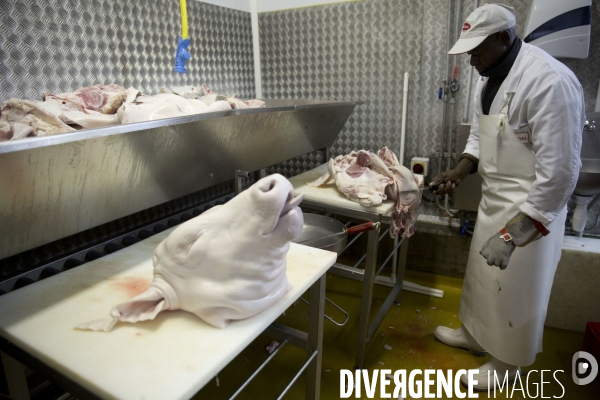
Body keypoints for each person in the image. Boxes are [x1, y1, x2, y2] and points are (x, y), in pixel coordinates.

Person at [429, 3, 584, 391]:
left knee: (517, 290)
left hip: (530, 210)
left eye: (477, 50)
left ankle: (507, 365)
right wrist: (460, 170)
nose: (471, 59)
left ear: (504, 37)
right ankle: (477, 337)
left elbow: (562, 171)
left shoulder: (549, 80)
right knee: (482, 279)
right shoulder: (491, 75)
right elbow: (483, 135)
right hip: (494, 198)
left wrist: (517, 231)